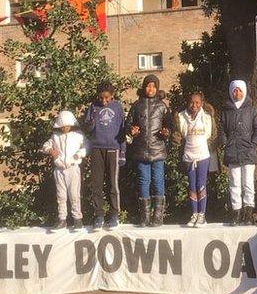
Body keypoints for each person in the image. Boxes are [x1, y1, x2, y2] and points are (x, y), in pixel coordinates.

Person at [126, 74, 172, 227]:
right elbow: (128, 124)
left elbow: (169, 125)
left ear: (157, 88)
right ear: (143, 87)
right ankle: (145, 216)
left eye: (153, 86)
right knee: (143, 181)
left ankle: (158, 216)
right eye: (148, 85)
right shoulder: (136, 105)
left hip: (158, 150)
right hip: (141, 150)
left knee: (158, 181)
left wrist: (167, 131)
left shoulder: (162, 106)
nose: (150, 89)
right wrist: (130, 130)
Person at [218, 79, 257, 225]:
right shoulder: (226, 110)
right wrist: (224, 143)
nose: (237, 93)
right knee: (234, 183)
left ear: (244, 92)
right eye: (234, 90)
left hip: (248, 151)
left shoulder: (251, 110)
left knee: (248, 183)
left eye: (239, 90)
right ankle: (236, 212)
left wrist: (254, 143)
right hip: (232, 151)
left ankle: (248, 213)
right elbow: (222, 129)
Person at [83, 81, 127, 230]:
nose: (103, 101)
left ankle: (114, 214)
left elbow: (122, 131)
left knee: (113, 184)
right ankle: (99, 215)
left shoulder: (118, 107)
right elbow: (88, 129)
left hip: (113, 149)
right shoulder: (93, 106)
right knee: (96, 184)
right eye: (101, 98)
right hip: (96, 149)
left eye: (106, 98)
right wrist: (91, 120)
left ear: (112, 96)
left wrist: (123, 152)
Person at [43, 110, 88, 231]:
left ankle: (77, 219)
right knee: (61, 196)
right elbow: (45, 146)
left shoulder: (78, 135)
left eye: (67, 126)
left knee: (74, 194)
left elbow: (87, 146)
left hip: (73, 168)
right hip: (59, 169)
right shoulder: (55, 136)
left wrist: (79, 154)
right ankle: (62, 219)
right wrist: (51, 151)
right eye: (62, 126)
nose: (65, 128)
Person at [175, 91, 215, 228]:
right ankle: (194, 213)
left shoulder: (207, 117)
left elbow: (210, 134)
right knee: (191, 185)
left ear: (202, 104)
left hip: (203, 155)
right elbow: (181, 134)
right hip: (188, 156)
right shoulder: (181, 116)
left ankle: (202, 215)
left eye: (197, 102)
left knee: (201, 184)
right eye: (192, 102)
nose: (194, 105)